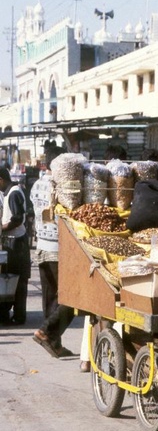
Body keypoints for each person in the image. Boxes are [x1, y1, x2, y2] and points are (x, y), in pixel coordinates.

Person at [30, 145, 74, 357]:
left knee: (50, 299)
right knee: (70, 299)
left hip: (41, 247)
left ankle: (54, 344)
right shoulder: (60, 186)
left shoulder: (36, 184)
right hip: (58, 248)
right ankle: (46, 332)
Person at [0, 167, 31, 325]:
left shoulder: (13, 193)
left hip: (17, 243)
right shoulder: (10, 193)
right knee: (10, 279)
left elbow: (17, 218)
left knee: (18, 281)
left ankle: (19, 316)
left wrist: (2, 228)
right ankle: (8, 314)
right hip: (12, 241)